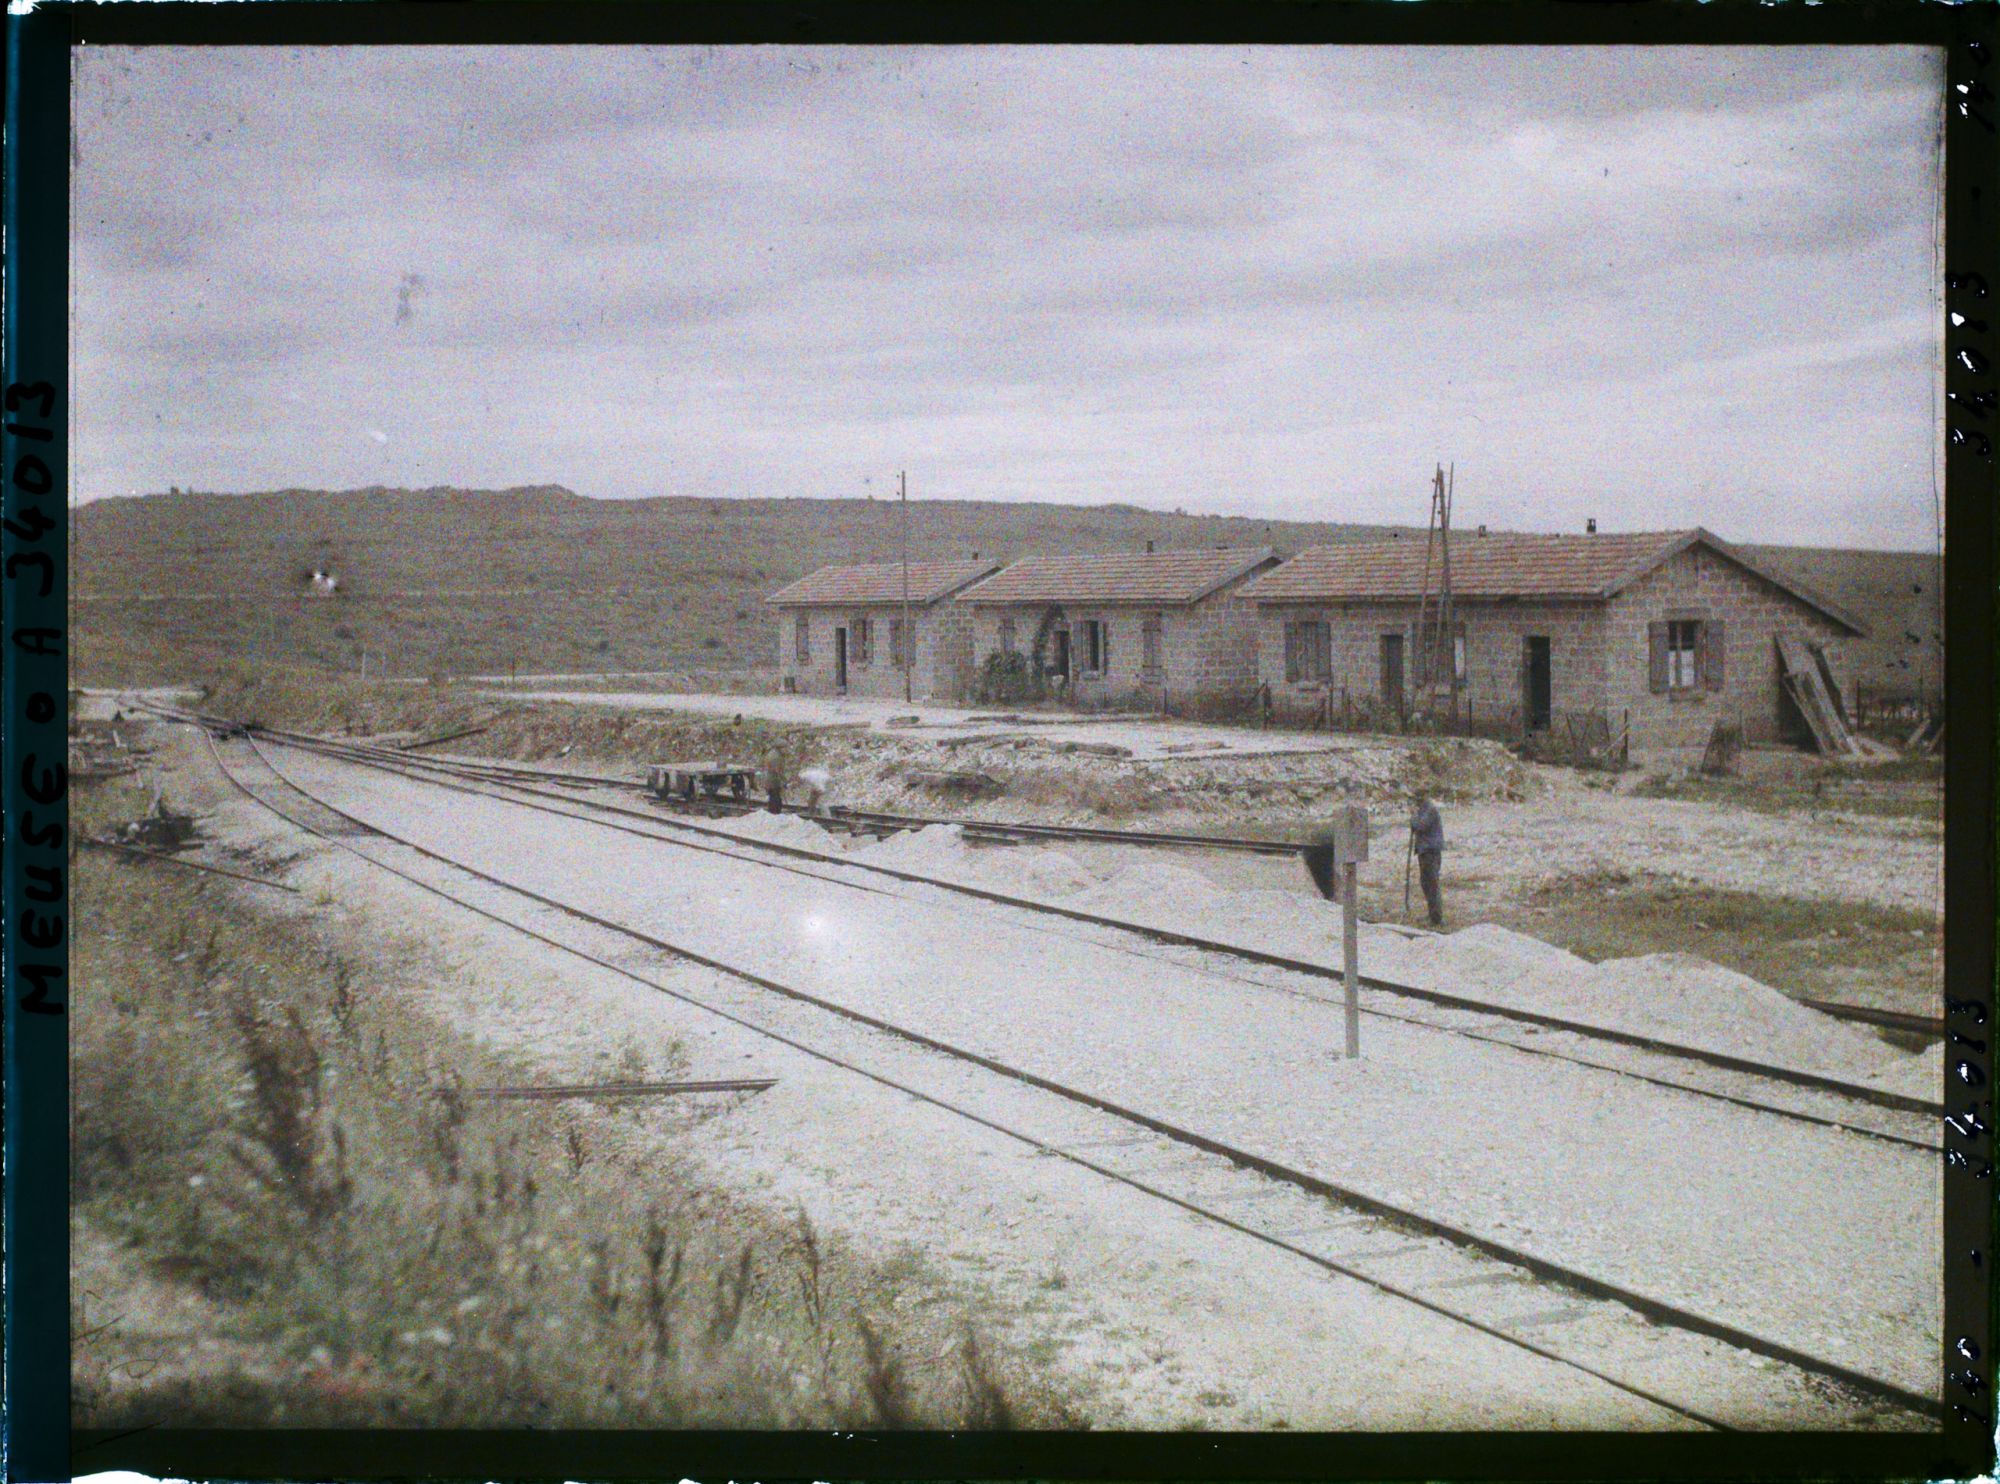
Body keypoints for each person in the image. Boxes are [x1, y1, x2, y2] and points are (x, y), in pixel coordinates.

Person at [1410, 792, 1445, 927]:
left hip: (1431, 851)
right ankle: (1432, 915)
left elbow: (1419, 826)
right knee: (1426, 883)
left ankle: (1436, 918)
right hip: (1425, 851)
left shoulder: (1430, 809)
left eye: (1416, 798)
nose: (1414, 802)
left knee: (1432, 884)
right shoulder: (1424, 809)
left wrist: (1413, 815)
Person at [762, 744, 787, 814]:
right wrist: (783, 780)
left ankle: (774, 812)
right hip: (773, 780)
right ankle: (775, 812)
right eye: (785, 748)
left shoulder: (774, 753)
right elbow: (777, 770)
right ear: (780, 748)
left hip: (771, 779)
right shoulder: (776, 756)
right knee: (775, 797)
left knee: (774, 796)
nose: (786, 750)